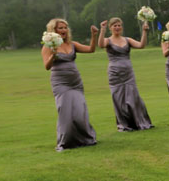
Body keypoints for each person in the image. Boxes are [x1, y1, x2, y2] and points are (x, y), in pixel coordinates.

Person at [41, 18, 98, 151]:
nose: (64, 30)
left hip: (75, 82)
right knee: (65, 112)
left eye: (65, 28)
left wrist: (94, 35)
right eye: (60, 28)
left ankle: (85, 139)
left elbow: (91, 49)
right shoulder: (48, 46)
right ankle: (65, 141)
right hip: (60, 83)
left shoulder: (72, 44)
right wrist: (53, 55)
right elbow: (47, 66)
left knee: (80, 111)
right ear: (54, 30)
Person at [98, 17, 153, 131]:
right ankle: (124, 123)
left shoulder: (127, 40)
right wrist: (102, 30)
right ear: (110, 28)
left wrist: (144, 31)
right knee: (119, 98)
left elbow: (141, 45)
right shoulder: (108, 40)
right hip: (115, 73)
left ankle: (139, 121)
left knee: (133, 96)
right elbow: (101, 44)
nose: (117, 27)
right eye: (115, 25)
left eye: (119, 25)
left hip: (128, 73)